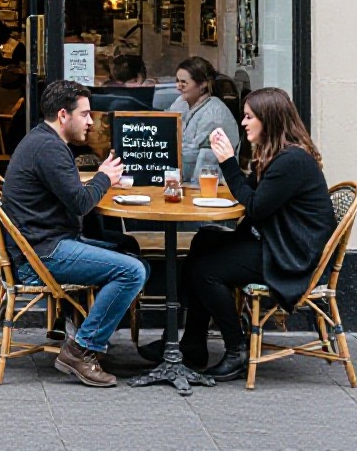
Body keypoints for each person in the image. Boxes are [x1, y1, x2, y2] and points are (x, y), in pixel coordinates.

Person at [144, 88, 336, 382]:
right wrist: (237, 165)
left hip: (289, 254)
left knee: (206, 270)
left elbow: (255, 207)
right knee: (203, 240)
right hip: (274, 241)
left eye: (249, 117)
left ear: (269, 120)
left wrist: (228, 162)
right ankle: (191, 343)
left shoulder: (291, 162)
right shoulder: (275, 156)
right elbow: (250, 193)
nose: (243, 123)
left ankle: (236, 349)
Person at [2, 79, 149, 388]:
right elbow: (81, 203)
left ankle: (86, 332)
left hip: (43, 245)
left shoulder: (44, 142)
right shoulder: (49, 149)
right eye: (85, 114)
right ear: (63, 116)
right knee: (132, 271)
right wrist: (104, 178)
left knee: (130, 252)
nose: (91, 121)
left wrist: (104, 180)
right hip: (42, 256)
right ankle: (81, 349)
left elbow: (71, 193)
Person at [169, 56, 240, 183]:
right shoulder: (181, 102)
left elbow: (197, 159)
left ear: (203, 84)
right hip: (183, 179)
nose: (178, 86)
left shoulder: (214, 114)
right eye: (177, 81)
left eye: (184, 82)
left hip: (209, 184)